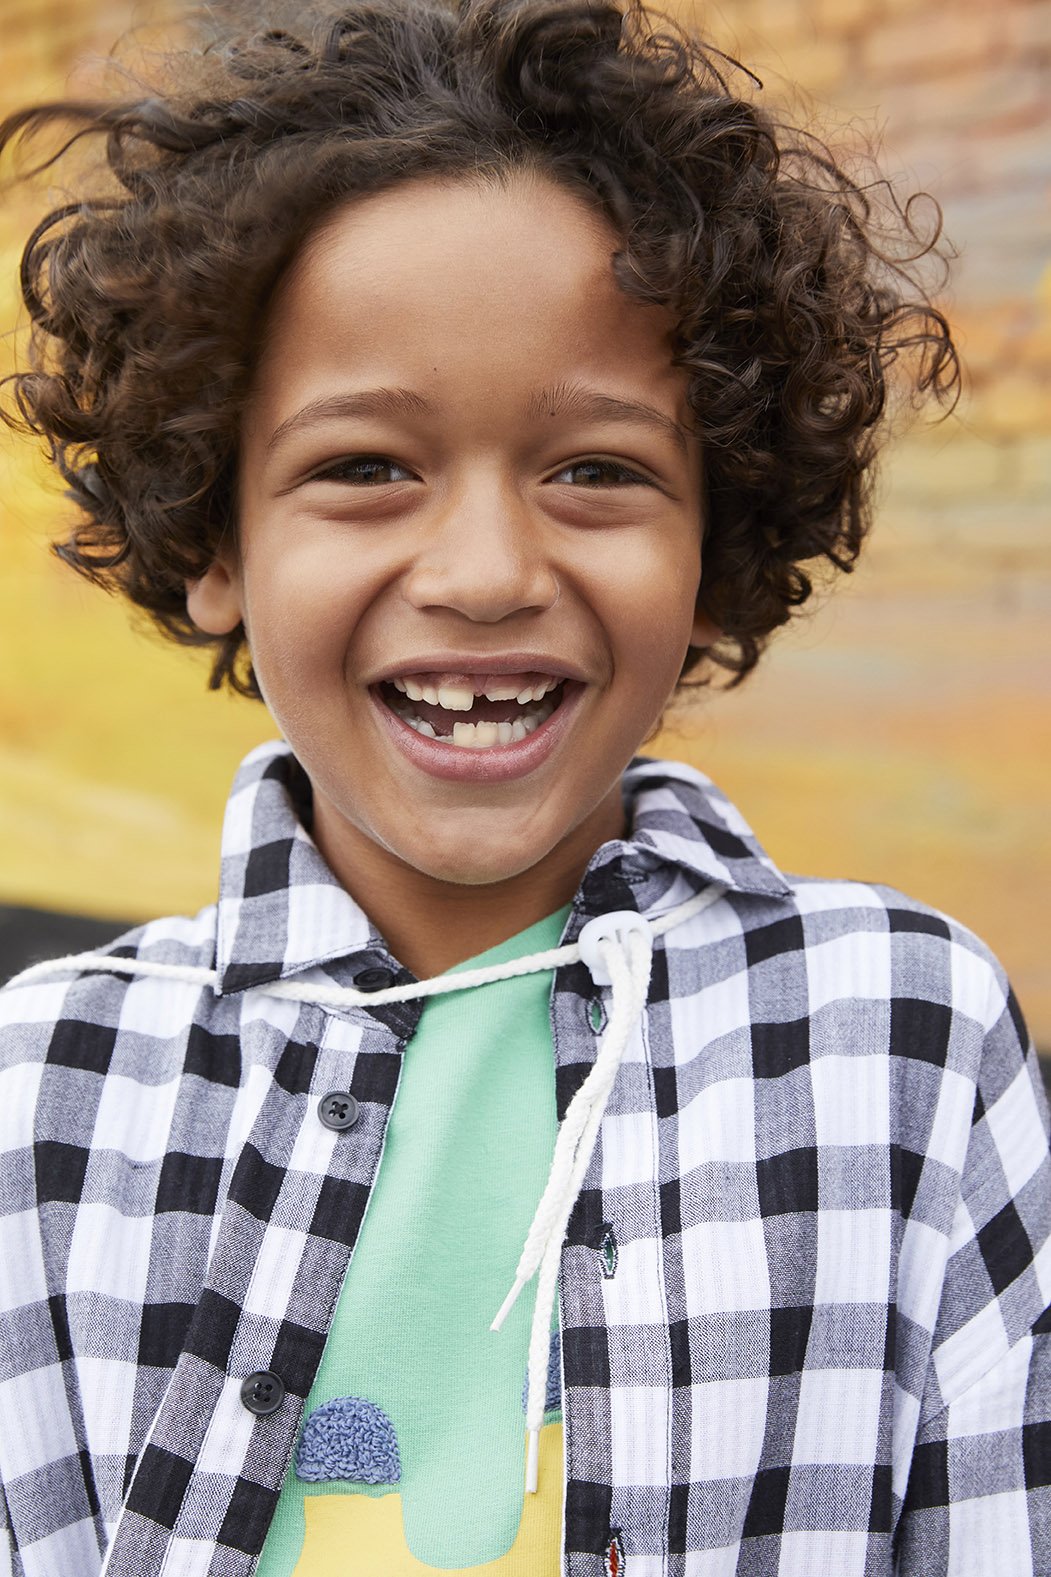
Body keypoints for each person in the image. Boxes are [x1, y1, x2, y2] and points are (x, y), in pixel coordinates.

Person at [0, 0, 1047, 1572]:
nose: (486, 573)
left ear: (717, 546)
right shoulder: (46, 1088)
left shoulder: (904, 1037)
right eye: (364, 467)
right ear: (217, 540)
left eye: (597, 471)